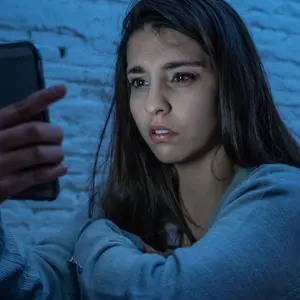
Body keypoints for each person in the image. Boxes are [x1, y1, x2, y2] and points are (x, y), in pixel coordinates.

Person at [1, 0, 300, 299]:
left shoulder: (282, 196)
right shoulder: (123, 195)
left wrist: (93, 239)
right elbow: (34, 287)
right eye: (139, 81)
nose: (153, 103)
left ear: (232, 84)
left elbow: (165, 292)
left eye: (181, 77)